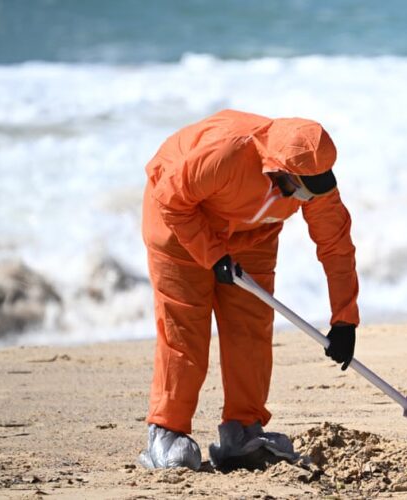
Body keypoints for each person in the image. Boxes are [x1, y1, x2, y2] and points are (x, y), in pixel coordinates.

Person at [138, 109, 360, 471]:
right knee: (186, 328)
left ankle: (242, 429)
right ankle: (167, 431)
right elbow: (170, 200)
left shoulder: (314, 178)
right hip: (180, 224)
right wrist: (212, 255)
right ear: (279, 169)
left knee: (251, 327)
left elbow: (336, 245)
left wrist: (345, 319)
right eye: (300, 188)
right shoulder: (226, 154)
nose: (307, 198)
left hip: (252, 233)